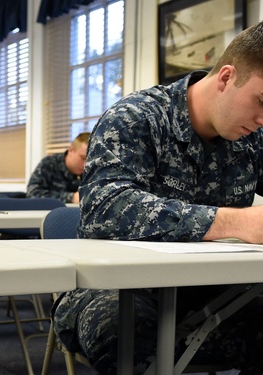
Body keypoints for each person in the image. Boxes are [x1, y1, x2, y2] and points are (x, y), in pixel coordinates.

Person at [52, 21, 263, 374]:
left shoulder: (253, 137)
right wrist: (235, 221)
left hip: (209, 289)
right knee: (126, 333)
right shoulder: (138, 118)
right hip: (119, 287)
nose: (262, 119)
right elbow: (105, 207)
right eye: (261, 100)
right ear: (226, 77)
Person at [26, 132, 90, 203]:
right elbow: (32, 194)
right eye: (83, 158)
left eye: (90, 160)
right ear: (71, 150)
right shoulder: (49, 164)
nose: (86, 165)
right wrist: (71, 198)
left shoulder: (92, 170)